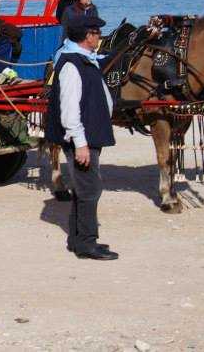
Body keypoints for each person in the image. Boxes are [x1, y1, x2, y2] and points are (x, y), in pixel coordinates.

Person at [45, 15, 118, 260]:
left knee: (83, 187)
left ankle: (78, 240)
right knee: (90, 189)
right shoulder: (71, 66)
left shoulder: (85, 60)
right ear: (87, 36)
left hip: (89, 135)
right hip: (82, 139)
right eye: (96, 32)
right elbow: (69, 110)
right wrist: (81, 143)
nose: (99, 36)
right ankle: (87, 243)